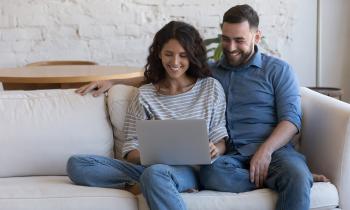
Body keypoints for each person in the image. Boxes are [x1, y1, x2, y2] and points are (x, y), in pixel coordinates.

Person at [75, 4, 329, 209]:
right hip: (221, 161)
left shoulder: (274, 71)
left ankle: (293, 176)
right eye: (225, 39)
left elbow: (291, 119)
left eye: (239, 40)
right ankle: (288, 179)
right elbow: (170, 72)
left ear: (257, 36)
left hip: (271, 152)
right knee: (211, 175)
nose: (230, 48)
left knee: (293, 174)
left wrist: (265, 152)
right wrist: (114, 81)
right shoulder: (210, 73)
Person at [67, 21, 228, 210]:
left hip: (190, 171)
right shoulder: (145, 94)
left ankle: (155, 181)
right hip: (148, 168)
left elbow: (220, 140)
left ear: (192, 56)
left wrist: (215, 149)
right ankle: (146, 184)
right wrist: (151, 156)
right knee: (77, 164)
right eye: (169, 54)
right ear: (159, 53)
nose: (175, 62)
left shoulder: (210, 88)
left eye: (183, 56)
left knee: (156, 174)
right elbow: (130, 148)